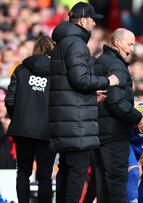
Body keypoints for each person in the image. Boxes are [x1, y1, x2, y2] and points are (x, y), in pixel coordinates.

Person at [48, 2, 119, 203]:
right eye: (92, 19)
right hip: (75, 122)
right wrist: (107, 81)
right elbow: (80, 80)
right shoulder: (76, 43)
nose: (94, 24)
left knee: (66, 170)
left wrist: (90, 94)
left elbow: (71, 83)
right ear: (82, 20)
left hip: (66, 118)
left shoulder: (63, 42)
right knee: (77, 172)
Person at [93, 28, 143, 203]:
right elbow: (116, 100)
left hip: (99, 132)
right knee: (117, 183)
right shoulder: (115, 65)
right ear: (117, 43)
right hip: (114, 133)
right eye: (129, 44)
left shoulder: (100, 61)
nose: (132, 48)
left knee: (102, 183)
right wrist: (137, 117)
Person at [5, 36, 55, 203]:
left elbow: (9, 99)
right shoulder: (57, 73)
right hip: (47, 131)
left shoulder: (21, 69)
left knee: (23, 173)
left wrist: (18, 117)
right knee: (45, 176)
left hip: (23, 129)